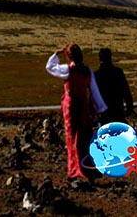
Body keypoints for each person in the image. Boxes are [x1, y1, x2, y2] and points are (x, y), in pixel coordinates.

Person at [46, 42, 108, 181]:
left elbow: (50, 67)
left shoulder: (67, 70)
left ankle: (75, 168)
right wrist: (100, 108)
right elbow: (94, 91)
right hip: (84, 105)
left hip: (71, 105)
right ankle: (89, 166)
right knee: (85, 135)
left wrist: (56, 54)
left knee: (72, 137)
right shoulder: (87, 71)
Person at [94, 48, 134, 125]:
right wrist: (129, 106)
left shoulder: (97, 75)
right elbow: (126, 91)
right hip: (117, 109)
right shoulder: (118, 72)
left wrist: (93, 111)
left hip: (104, 111)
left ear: (100, 58)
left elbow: (94, 95)